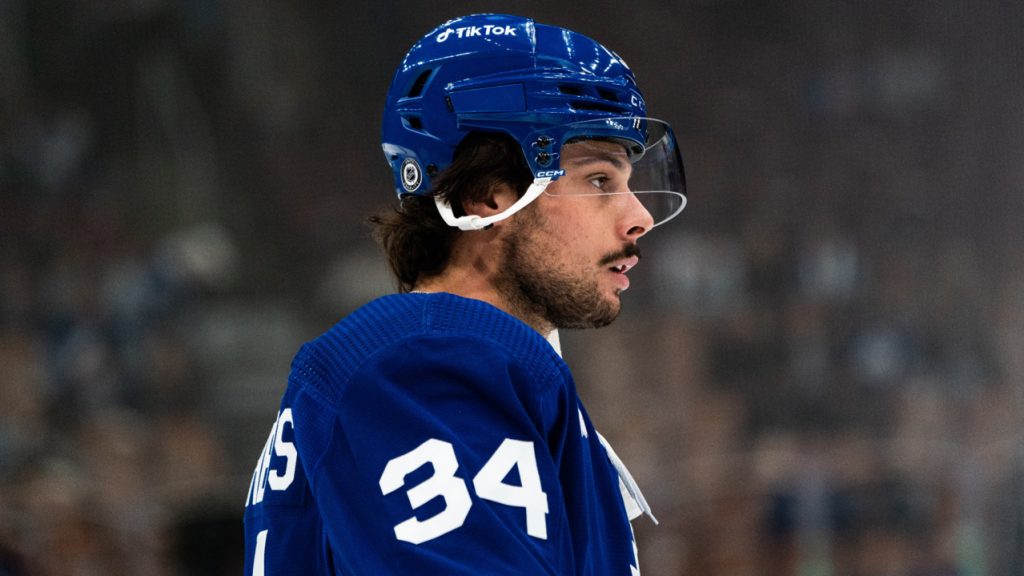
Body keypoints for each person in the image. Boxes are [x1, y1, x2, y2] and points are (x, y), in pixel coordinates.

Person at [243, 13, 687, 575]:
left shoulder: (470, 366)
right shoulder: (425, 365)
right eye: (600, 180)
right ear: (487, 196)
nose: (640, 216)